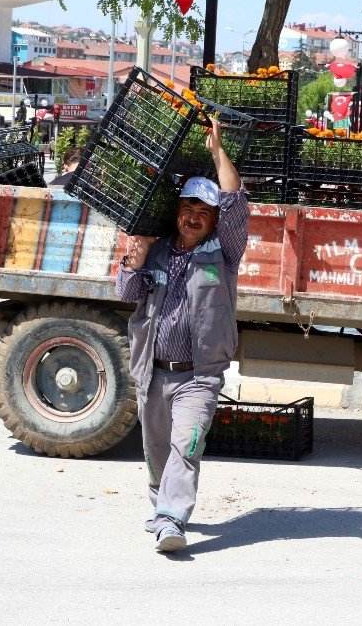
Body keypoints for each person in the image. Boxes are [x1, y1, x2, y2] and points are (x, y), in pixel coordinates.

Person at [115, 119, 249, 554]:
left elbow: (235, 201)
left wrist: (216, 152)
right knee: (156, 450)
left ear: (213, 222)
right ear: (177, 213)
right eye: (188, 208)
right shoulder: (154, 249)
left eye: (203, 212)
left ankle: (172, 518)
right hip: (152, 372)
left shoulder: (223, 253)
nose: (194, 217)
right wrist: (132, 263)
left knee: (186, 444)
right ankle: (160, 506)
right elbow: (127, 295)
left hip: (199, 375)